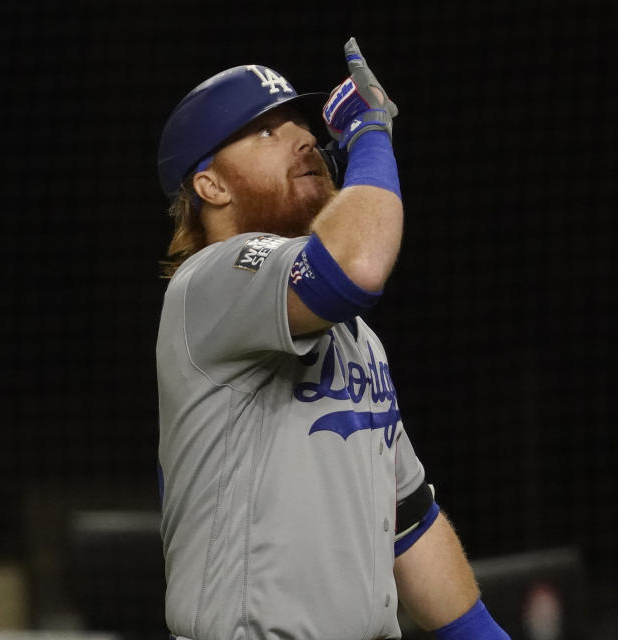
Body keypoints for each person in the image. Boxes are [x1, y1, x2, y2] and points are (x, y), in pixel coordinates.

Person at [155, 38, 509, 640]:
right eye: (267, 131)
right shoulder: (209, 284)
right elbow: (356, 267)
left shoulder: (354, 336)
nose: (304, 138)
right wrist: (371, 132)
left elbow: (407, 521)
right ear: (211, 186)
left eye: (301, 124)